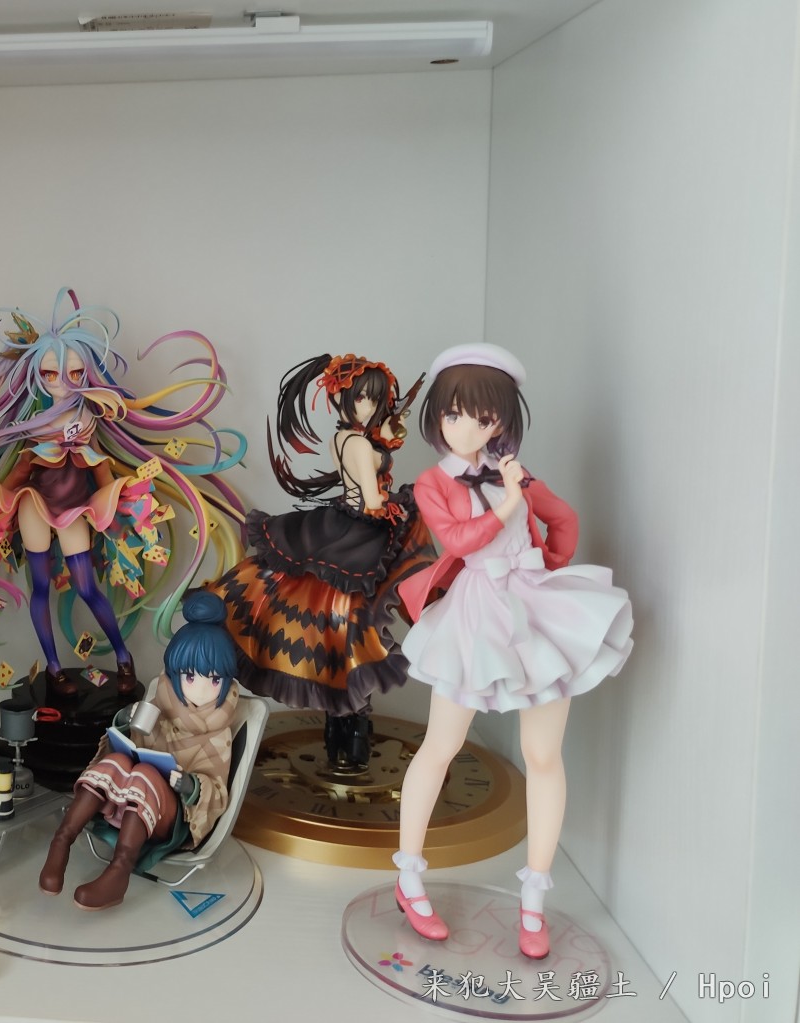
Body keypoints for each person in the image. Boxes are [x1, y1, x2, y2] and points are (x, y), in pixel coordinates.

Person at [0, 288, 245, 697]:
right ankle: (53, 668)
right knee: (40, 587)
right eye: (51, 374)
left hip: (75, 507)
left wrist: (120, 503)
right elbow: (22, 467)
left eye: (73, 373)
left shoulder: (89, 417)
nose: (62, 383)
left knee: (87, 586)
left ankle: (123, 657)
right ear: (37, 375)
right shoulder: (34, 422)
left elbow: (100, 465)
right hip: (33, 503)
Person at [390, 344, 633, 959]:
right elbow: (459, 541)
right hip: (474, 614)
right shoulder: (434, 482)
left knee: (543, 755)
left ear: (499, 420)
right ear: (437, 416)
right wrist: (507, 503)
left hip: (530, 604)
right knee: (440, 747)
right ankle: (409, 877)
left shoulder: (514, 472)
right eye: (452, 414)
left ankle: (533, 901)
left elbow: (563, 519)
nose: (464, 428)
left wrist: (545, 566)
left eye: (479, 417)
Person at [195, 353, 434, 769]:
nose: (369, 407)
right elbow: (373, 499)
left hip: (341, 528)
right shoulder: (358, 443)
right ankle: (352, 729)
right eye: (362, 397)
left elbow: (366, 461)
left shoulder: (344, 438)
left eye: (375, 399)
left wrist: (385, 440)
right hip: (360, 533)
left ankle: (341, 726)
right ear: (342, 397)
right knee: (351, 631)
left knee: (337, 632)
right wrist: (401, 506)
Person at [37, 609, 241, 910]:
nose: (199, 687)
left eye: (213, 679)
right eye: (190, 676)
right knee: (117, 763)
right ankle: (61, 842)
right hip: (134, 799)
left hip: (174, 818)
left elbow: (218, 792)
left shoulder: (219, 733)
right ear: (176, 674)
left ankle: (120, 871)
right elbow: (133, 746)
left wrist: (191, 785)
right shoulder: (160, 702)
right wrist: (125, 722)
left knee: (145, 772)